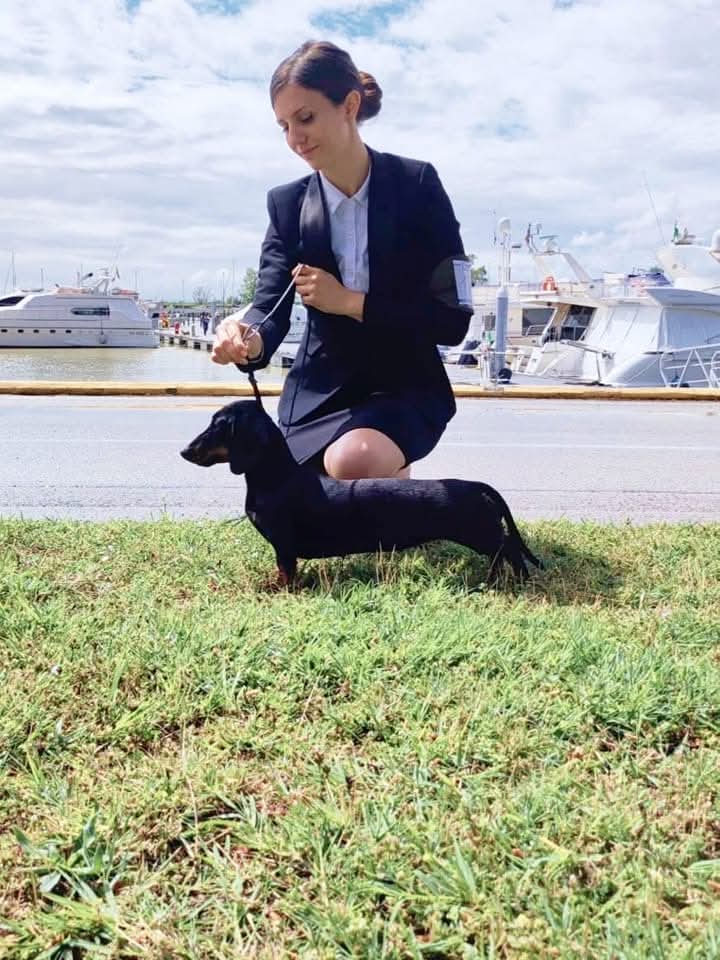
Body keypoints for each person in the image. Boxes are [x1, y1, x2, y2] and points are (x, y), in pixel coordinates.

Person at [211, 40, 473, 480]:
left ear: (349, 105)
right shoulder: (287, 205)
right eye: (284, 126)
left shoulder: (417, 185)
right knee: (303, 495)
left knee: (353, 461)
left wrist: (351, 302)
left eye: (306, 118)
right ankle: (384, 493)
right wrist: (247, 339)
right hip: (320, 393)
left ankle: (389, 480)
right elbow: (269, 305)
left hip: (405, 383)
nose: (295, 138)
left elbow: (453, 319)